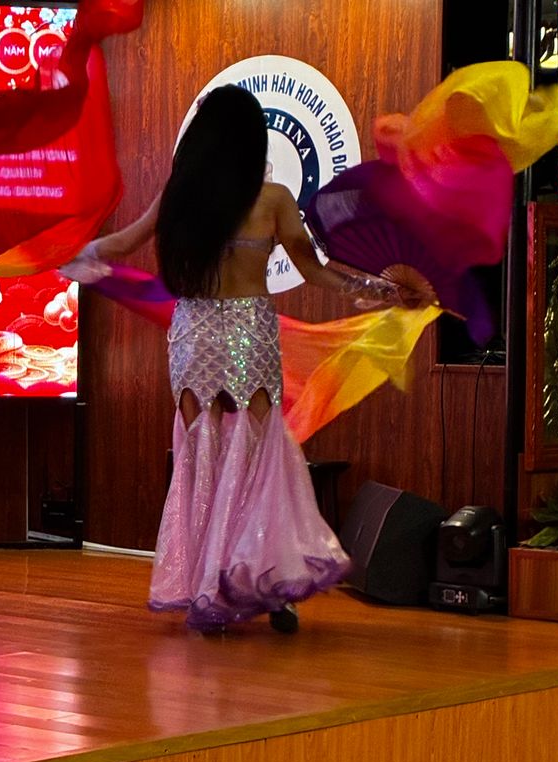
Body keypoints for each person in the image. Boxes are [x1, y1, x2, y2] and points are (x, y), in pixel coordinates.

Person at [71, 85, 414, 634]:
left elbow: (124, 242)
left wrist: (74, 254)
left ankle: (210, 587)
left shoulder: (181, 196)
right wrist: (379, 289)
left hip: (194, 335)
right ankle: (265, 588)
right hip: (247, 334)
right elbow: (315, 269)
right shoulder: (272, 198)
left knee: (202, 458)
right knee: (257, 459)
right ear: (253, 141)